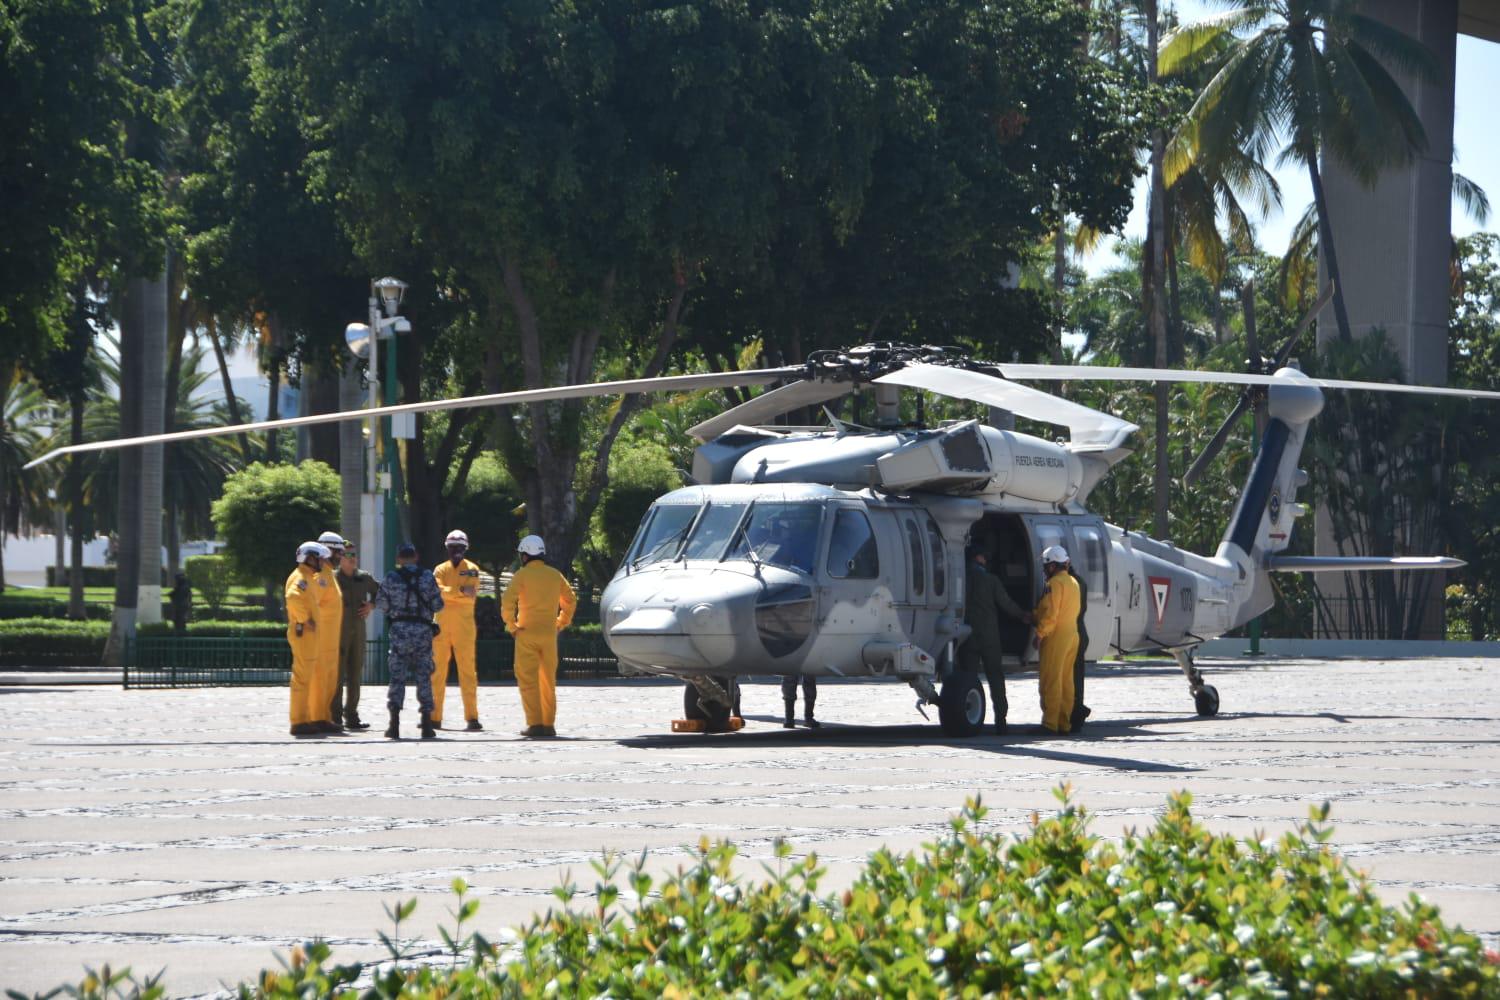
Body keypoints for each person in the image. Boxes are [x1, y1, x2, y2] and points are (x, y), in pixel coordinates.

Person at [501, 535, 577, 738]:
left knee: (528, 680)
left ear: (525, 555)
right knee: (547, 681)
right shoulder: (555, 575)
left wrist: (512, 626)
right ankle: (548, 724)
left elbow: (508, 602)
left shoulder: (521, 575)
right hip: (549, 634)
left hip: (526, 633)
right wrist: (561, 622)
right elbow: (570, 600)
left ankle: (535, 723)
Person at [959, 545, 1031, 734]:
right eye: (984, 556)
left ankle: (967, 715)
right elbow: (1006, 603)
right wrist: (1022, 615)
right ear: (979, 558)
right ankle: (1001, 719)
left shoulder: (961, 578)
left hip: (967, 635)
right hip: (989, 636)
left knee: (968, 678)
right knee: (995, 678)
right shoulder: (991, 580)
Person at [375, 542, 443, 740]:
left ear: (398, 559)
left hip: (399, 631)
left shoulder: (391, 578)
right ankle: (427, 724)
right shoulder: (427, 577)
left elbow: (381, 603)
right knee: (424, 675)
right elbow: (438, 605)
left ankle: (394, 724)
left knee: (397, 676)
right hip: (423, 630)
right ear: (416, 556)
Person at [432, 529, 482, 731]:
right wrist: (460, 591)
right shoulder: (440, 569)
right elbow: (437, 590)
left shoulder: (472, 569)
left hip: (464, 629)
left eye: (460, 548)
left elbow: (471, 592)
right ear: (447, 548)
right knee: (436, 673)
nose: (456, 551)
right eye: (453, 548)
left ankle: (472, 717)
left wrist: (449, 592)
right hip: (441, 627)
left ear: (466, 548)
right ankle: (434, 717)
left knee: (468, 673)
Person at [1032, 545, 1081, 735]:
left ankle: (1050, 724)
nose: (1045, 571)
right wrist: (1035, 614)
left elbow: (1052, 613)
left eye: (1046, 566)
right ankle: (1064, 723)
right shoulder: (1073, 582)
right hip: (1072, 634)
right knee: (1066, 680)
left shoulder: (1054, 584)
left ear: (1052, 566)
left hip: (1056, 635)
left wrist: (1040, 633)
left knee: (1050, 679)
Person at [332, 541, 379, 730]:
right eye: (348, 555)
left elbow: (382, 593)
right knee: (336, 676)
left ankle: (352, 716)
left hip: (358, 631)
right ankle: (334, 717)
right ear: (340, 558)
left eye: (354, 555)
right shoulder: (332, 578)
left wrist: (371, 605)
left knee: (355, 675)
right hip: (338, 631)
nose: (352, 559)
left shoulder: (364, 578)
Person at [285, 541, 330, 737]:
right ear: (310, 558)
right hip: (304, 634)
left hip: (308, 636)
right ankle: (299, 721)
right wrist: (305, 619)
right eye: (320, 558)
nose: (323, 562)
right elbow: (292, 597)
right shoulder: (301, 578)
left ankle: (303, 718)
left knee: (306, 678)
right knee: (302, 679)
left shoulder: (308, 577)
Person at [312, 531, 347, 733]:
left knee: (329, 680)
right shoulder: (320, 576)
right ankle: (317, 717)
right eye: (339, 552)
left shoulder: (328, 574)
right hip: (321, 638)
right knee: (320, 680)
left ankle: (323, 717)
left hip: (330, 640)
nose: (341, 556)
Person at [1068, 561, 1092, 731]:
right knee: (1076, 678)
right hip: (1079, 632)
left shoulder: (1071, 583)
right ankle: (1076, 712)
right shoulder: (1079, 581)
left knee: (1074, 678)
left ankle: (1076, 714)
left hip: (1074, 633)